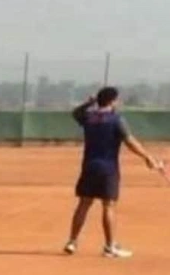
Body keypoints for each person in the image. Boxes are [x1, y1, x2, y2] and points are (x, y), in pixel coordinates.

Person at [63, 86, 158, 258]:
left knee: (84, 204)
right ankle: (110, 247)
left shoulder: (89, 117)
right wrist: (147, 157)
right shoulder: (116, 120)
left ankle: (72, 241)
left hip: (89, 167)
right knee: (108, 205)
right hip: (108, 169)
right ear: (113, 101)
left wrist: (89, 103)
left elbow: (75, 113)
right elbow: (130, 141)